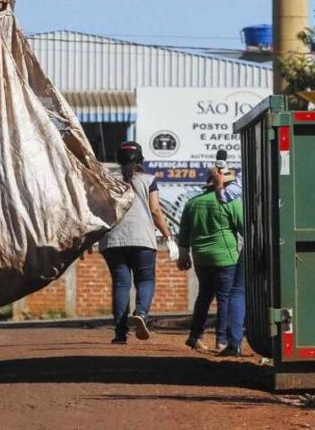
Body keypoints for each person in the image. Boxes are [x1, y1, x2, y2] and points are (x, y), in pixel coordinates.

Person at [98, 141, 177, 344]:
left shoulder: (106, 181)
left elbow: (97, 210)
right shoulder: (148, 180)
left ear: (118, 160)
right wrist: (169, 236)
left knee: (121, 284)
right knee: (145, 280)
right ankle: (141, 312)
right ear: (140, 160)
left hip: (113, 239)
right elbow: (155, 210)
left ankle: (120, 334)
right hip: (142, 238)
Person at [177, 170, 243, 354]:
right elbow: (244, 227)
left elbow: (184, 233)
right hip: (226, 257)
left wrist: (183, 255)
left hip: (201, 258)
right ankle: (221, 340)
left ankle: (195, 335)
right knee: (225, 298)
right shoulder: (230, 202)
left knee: (204, 295)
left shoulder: (192, 203)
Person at [211, 165, 245, 356]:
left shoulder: (194, 202)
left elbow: (223, 196)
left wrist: (219, 185)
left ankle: (234, 343)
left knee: (237, 293)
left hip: (256, 243)